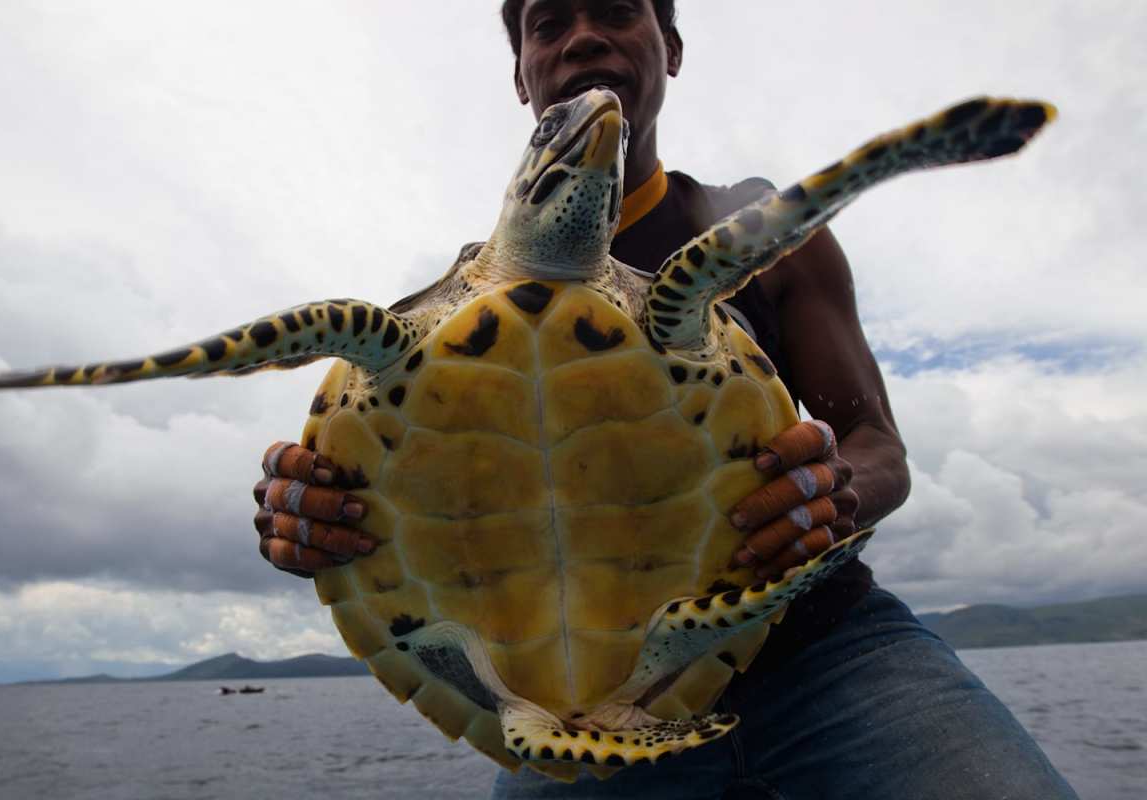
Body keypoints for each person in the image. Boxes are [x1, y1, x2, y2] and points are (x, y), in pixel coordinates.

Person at [252, 2, 1077, 797]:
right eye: (549, 23)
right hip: (579, 711)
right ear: (521, 75)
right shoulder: (439, 325)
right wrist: (308, 511)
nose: (581, 39)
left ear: (670, 49)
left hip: (826, 643)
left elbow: (876, 442)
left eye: (615, 11)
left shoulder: (758, 233)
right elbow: (372, 500)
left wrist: (831, 492)